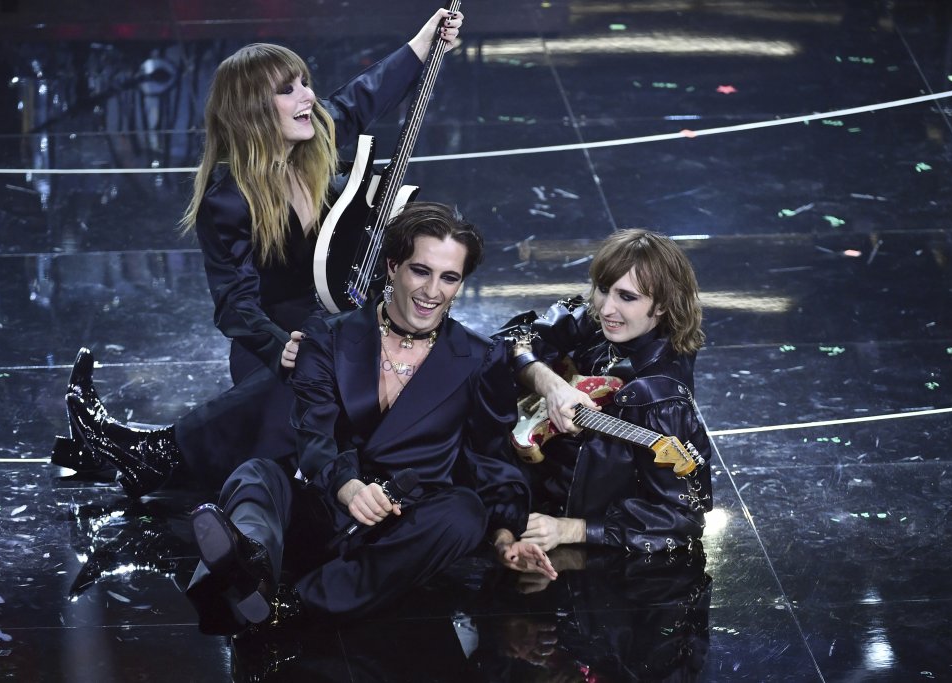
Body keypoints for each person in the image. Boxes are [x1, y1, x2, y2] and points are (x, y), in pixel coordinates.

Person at [56, 8, 465, 496]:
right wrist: (279, 346)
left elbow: (362, 97)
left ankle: (137, 454)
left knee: (352, 371)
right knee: (312, 378)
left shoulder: (318, 139)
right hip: (275, 343)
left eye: (304, 83)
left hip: (339, 327)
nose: (307, 96)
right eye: (288, 90)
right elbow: (235, 305)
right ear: (252, 111)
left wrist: (423, 43)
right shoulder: (227, 200)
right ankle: (153, 453)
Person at [185, 202, 556, 635]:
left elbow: (490, 460)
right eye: (421, 271)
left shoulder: (479, 357)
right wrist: (347, 486)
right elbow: (314, 432)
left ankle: (291, 602)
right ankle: (249, 566)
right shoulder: (328, 335)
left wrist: (505, 538)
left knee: (463, 513)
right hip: (323, 504)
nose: (432, 291)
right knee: (256, 476)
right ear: (393, 266)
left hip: (400, 531)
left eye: (449, 277)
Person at [500, 229, 714, 554]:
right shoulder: (599, 323)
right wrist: (552, 386)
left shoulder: (659, 399)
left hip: (571, 510)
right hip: (533, 472)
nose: (606, 308)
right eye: (603, 289)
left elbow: (682, 519)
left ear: (661, 305)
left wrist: (571, 529)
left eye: (627, 297)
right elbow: (510, 339)